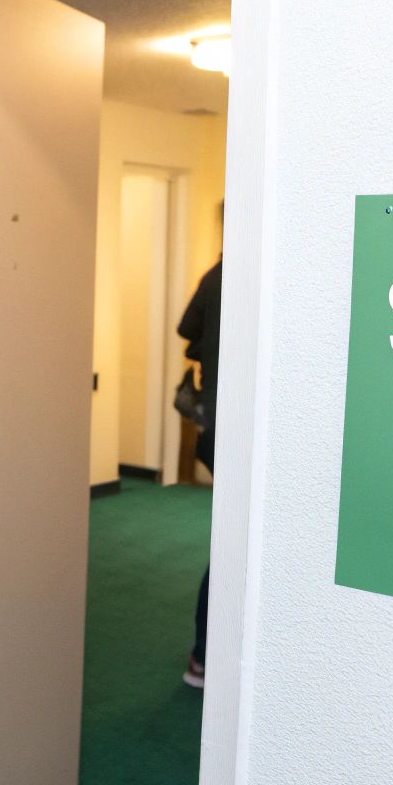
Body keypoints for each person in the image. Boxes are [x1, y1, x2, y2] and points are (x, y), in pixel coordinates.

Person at [178, 233, 222, 689]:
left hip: (215, 426)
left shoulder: (215, 276)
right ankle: (205, 656)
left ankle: (205, 657)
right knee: (234, 548)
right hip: (233, 430)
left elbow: (186, 331)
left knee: (232, 544)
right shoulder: (243, 273)